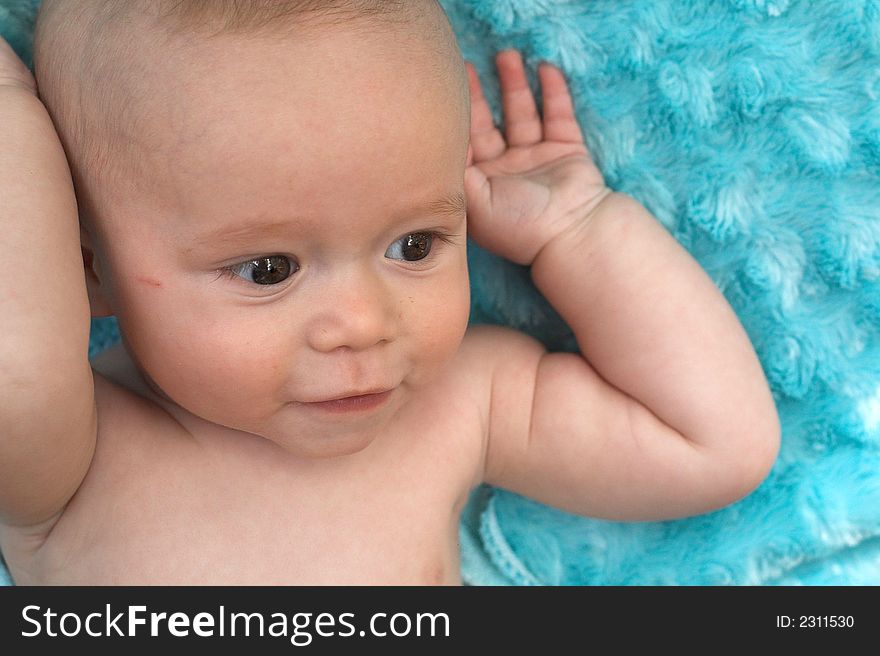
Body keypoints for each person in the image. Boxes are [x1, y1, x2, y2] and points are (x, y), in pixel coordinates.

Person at [0, 0, 780, 584]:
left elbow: (712, 446)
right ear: (87, 269)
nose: (365, 325)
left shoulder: (458, 404)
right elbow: (18, 366)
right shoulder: (74, 456)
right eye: (270, 270)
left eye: (415, 246)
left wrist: (578, 232)